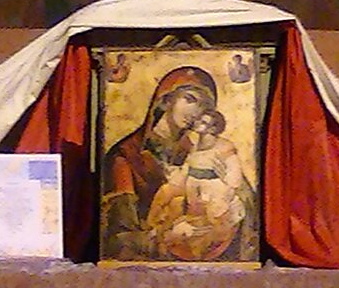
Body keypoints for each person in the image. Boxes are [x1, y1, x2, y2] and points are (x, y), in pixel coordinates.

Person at [101, 66, 217, 260]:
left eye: (204, 107)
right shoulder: (126, 156)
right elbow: (118, 240)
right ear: (166, 99)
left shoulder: (198, 154)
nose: (195, 112)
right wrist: (165, 237)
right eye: (189, 99)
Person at [148, 109, 253, 261]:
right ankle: (152, 228)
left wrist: (222, 180)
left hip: (214, 198)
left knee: (191, 228)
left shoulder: (224, 148)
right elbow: (187, 170)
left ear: (213, 129)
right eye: (199, 120)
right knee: (165, 193)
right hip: (193, 193)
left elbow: (234, 179)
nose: (197, 123)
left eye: (203, 122)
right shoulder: (196, 145)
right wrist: (173, 174)